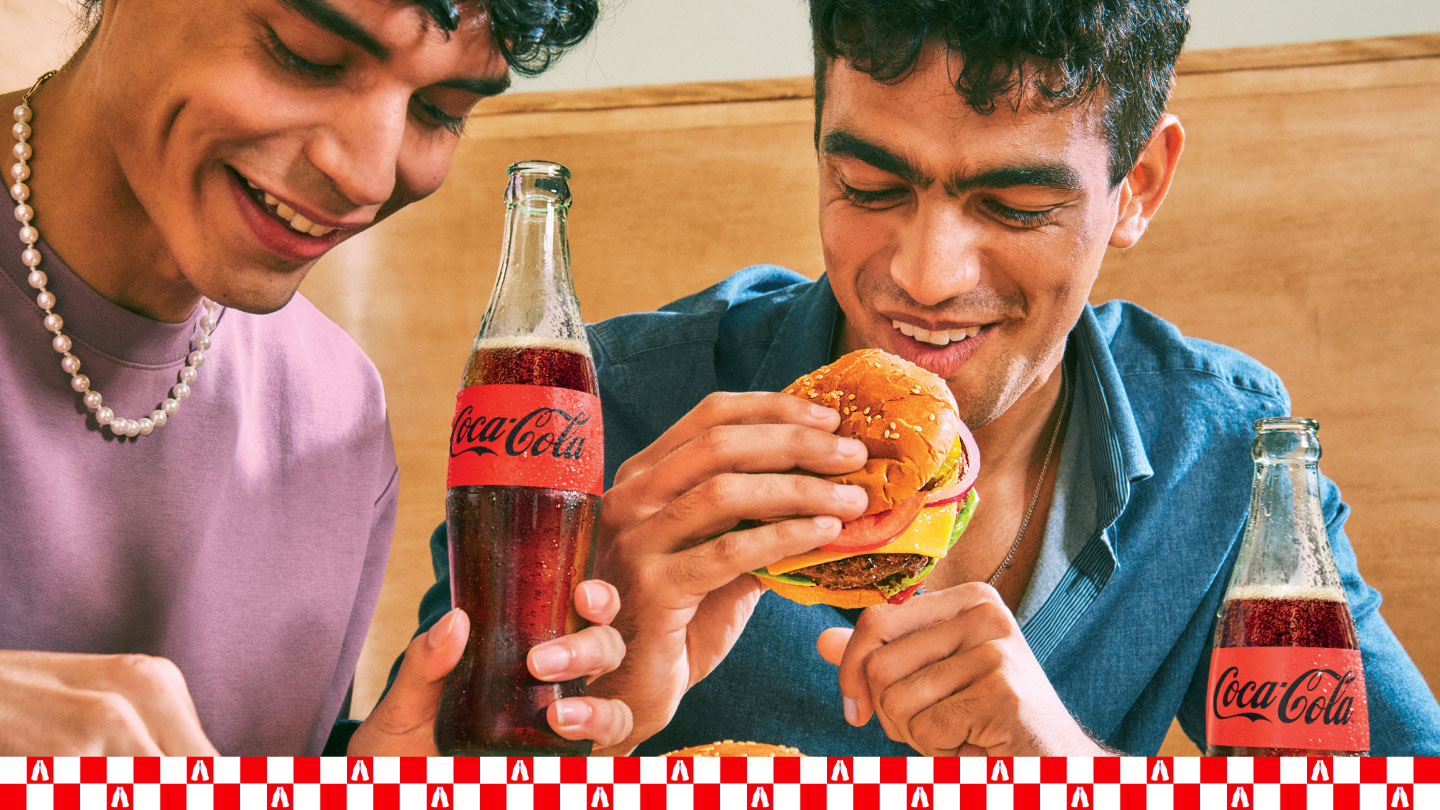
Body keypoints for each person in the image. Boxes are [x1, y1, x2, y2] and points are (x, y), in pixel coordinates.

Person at [394, 0, 1440, 756]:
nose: (925, 278)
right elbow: (414, 759)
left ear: (1139, 187)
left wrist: (1068, 776)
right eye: (868, 184)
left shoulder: (1225, 453)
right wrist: (572, 732)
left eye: (1017, 206)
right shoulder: (603, 410)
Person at [0, 0, 633, 755]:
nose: (366, 175)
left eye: (439, 110)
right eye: (306, 55)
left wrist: (364, 782)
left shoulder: (340, 410)